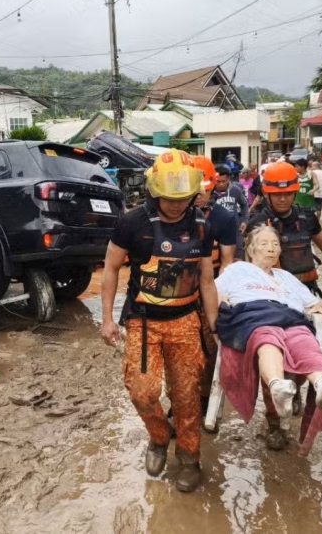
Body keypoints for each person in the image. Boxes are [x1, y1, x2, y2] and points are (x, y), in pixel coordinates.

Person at [100, 149, 218, 493]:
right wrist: (107, 320)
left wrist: (214, 325)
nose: (176, 204)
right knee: (142, 392)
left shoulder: (201, 225)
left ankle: (189, 458)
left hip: (185, 319)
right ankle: (158, 435)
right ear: (154, 190)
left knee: (186, 395)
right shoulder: (132, 222)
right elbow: (110, 267)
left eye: (183, 198)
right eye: (169, 198)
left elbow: (207, 280)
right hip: (143, 320)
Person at [215, 226, 322, 453]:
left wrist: (318, 311)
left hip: (289, 318)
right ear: (250, 249)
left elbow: (312, 304)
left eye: (275, 244)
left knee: (305, 340)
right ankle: (277, 386)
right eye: (263, 244)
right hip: (255, 316)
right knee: (268, 338)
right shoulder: (237, 270)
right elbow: (216, 292)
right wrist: (223, 302)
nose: (271, 249)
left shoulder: (286, 277)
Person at [245, 161, 322, 448]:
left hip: (305, 296)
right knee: (272, 359)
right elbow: (248, 264)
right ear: (267, 194)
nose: (282, 199)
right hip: (273, 298)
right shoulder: (257, 221)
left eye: (288, 193)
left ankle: (299, 391)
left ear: (295, 192)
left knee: (308, 353)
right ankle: (274, 424)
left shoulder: (307, 217)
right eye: (276, 194)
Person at [193, 156, 237, 278]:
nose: (199, 197)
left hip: (213, 280)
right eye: (195, 192)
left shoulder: (224, 218)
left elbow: (226, 263)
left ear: (212, 187)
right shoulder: (175, 214)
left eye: (204, 191)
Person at [210, 165, 249, 259]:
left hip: (235, 229)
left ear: (228, 179)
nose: (221, 184)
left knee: (237, 258)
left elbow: (244, 205)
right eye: (218, 182)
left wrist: (244, 220)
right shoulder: (210, 193)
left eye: (224, 181)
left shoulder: (235, 190)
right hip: (216, 231)